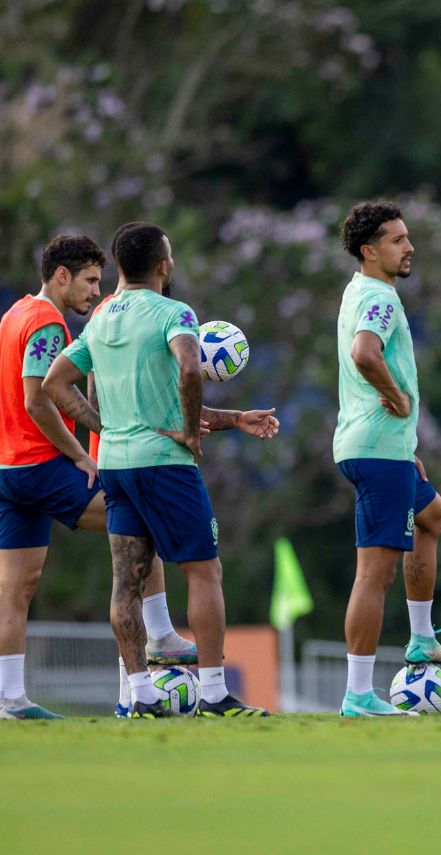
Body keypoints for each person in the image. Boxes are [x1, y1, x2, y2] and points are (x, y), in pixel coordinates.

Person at [44, 222, 276, 718]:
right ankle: (214, 694)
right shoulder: (175, 312)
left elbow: (55, 383)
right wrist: (191, 433)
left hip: (116, 466)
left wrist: (107, 425)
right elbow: (190, 369)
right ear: (163, 266)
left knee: (126, 585)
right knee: (204, 571)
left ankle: (142, 697)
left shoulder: (101, 318)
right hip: (165, 466)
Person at [0, 235, 190, 720]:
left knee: (17, 587)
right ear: (61, 276)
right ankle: (160, 632)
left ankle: (10, 698)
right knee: (138, 522)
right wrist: (83, 453)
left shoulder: (13, 314)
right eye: (88, 280)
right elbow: (39, 398)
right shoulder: (46, 321)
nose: (94, 290)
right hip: (41, 466)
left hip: (8, 470)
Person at [333, 200, 441, 718]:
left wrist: (407, 449)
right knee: (374, 575)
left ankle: (421, 638)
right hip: (376, 451)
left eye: (408, 237)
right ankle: (358, 694)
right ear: (370, 250)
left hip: (385, 449)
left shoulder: (358, 291)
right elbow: (365, 352)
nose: (409, 247)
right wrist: (396, 396)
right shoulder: (379, 297)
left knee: (433, 514)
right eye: (398, 240)